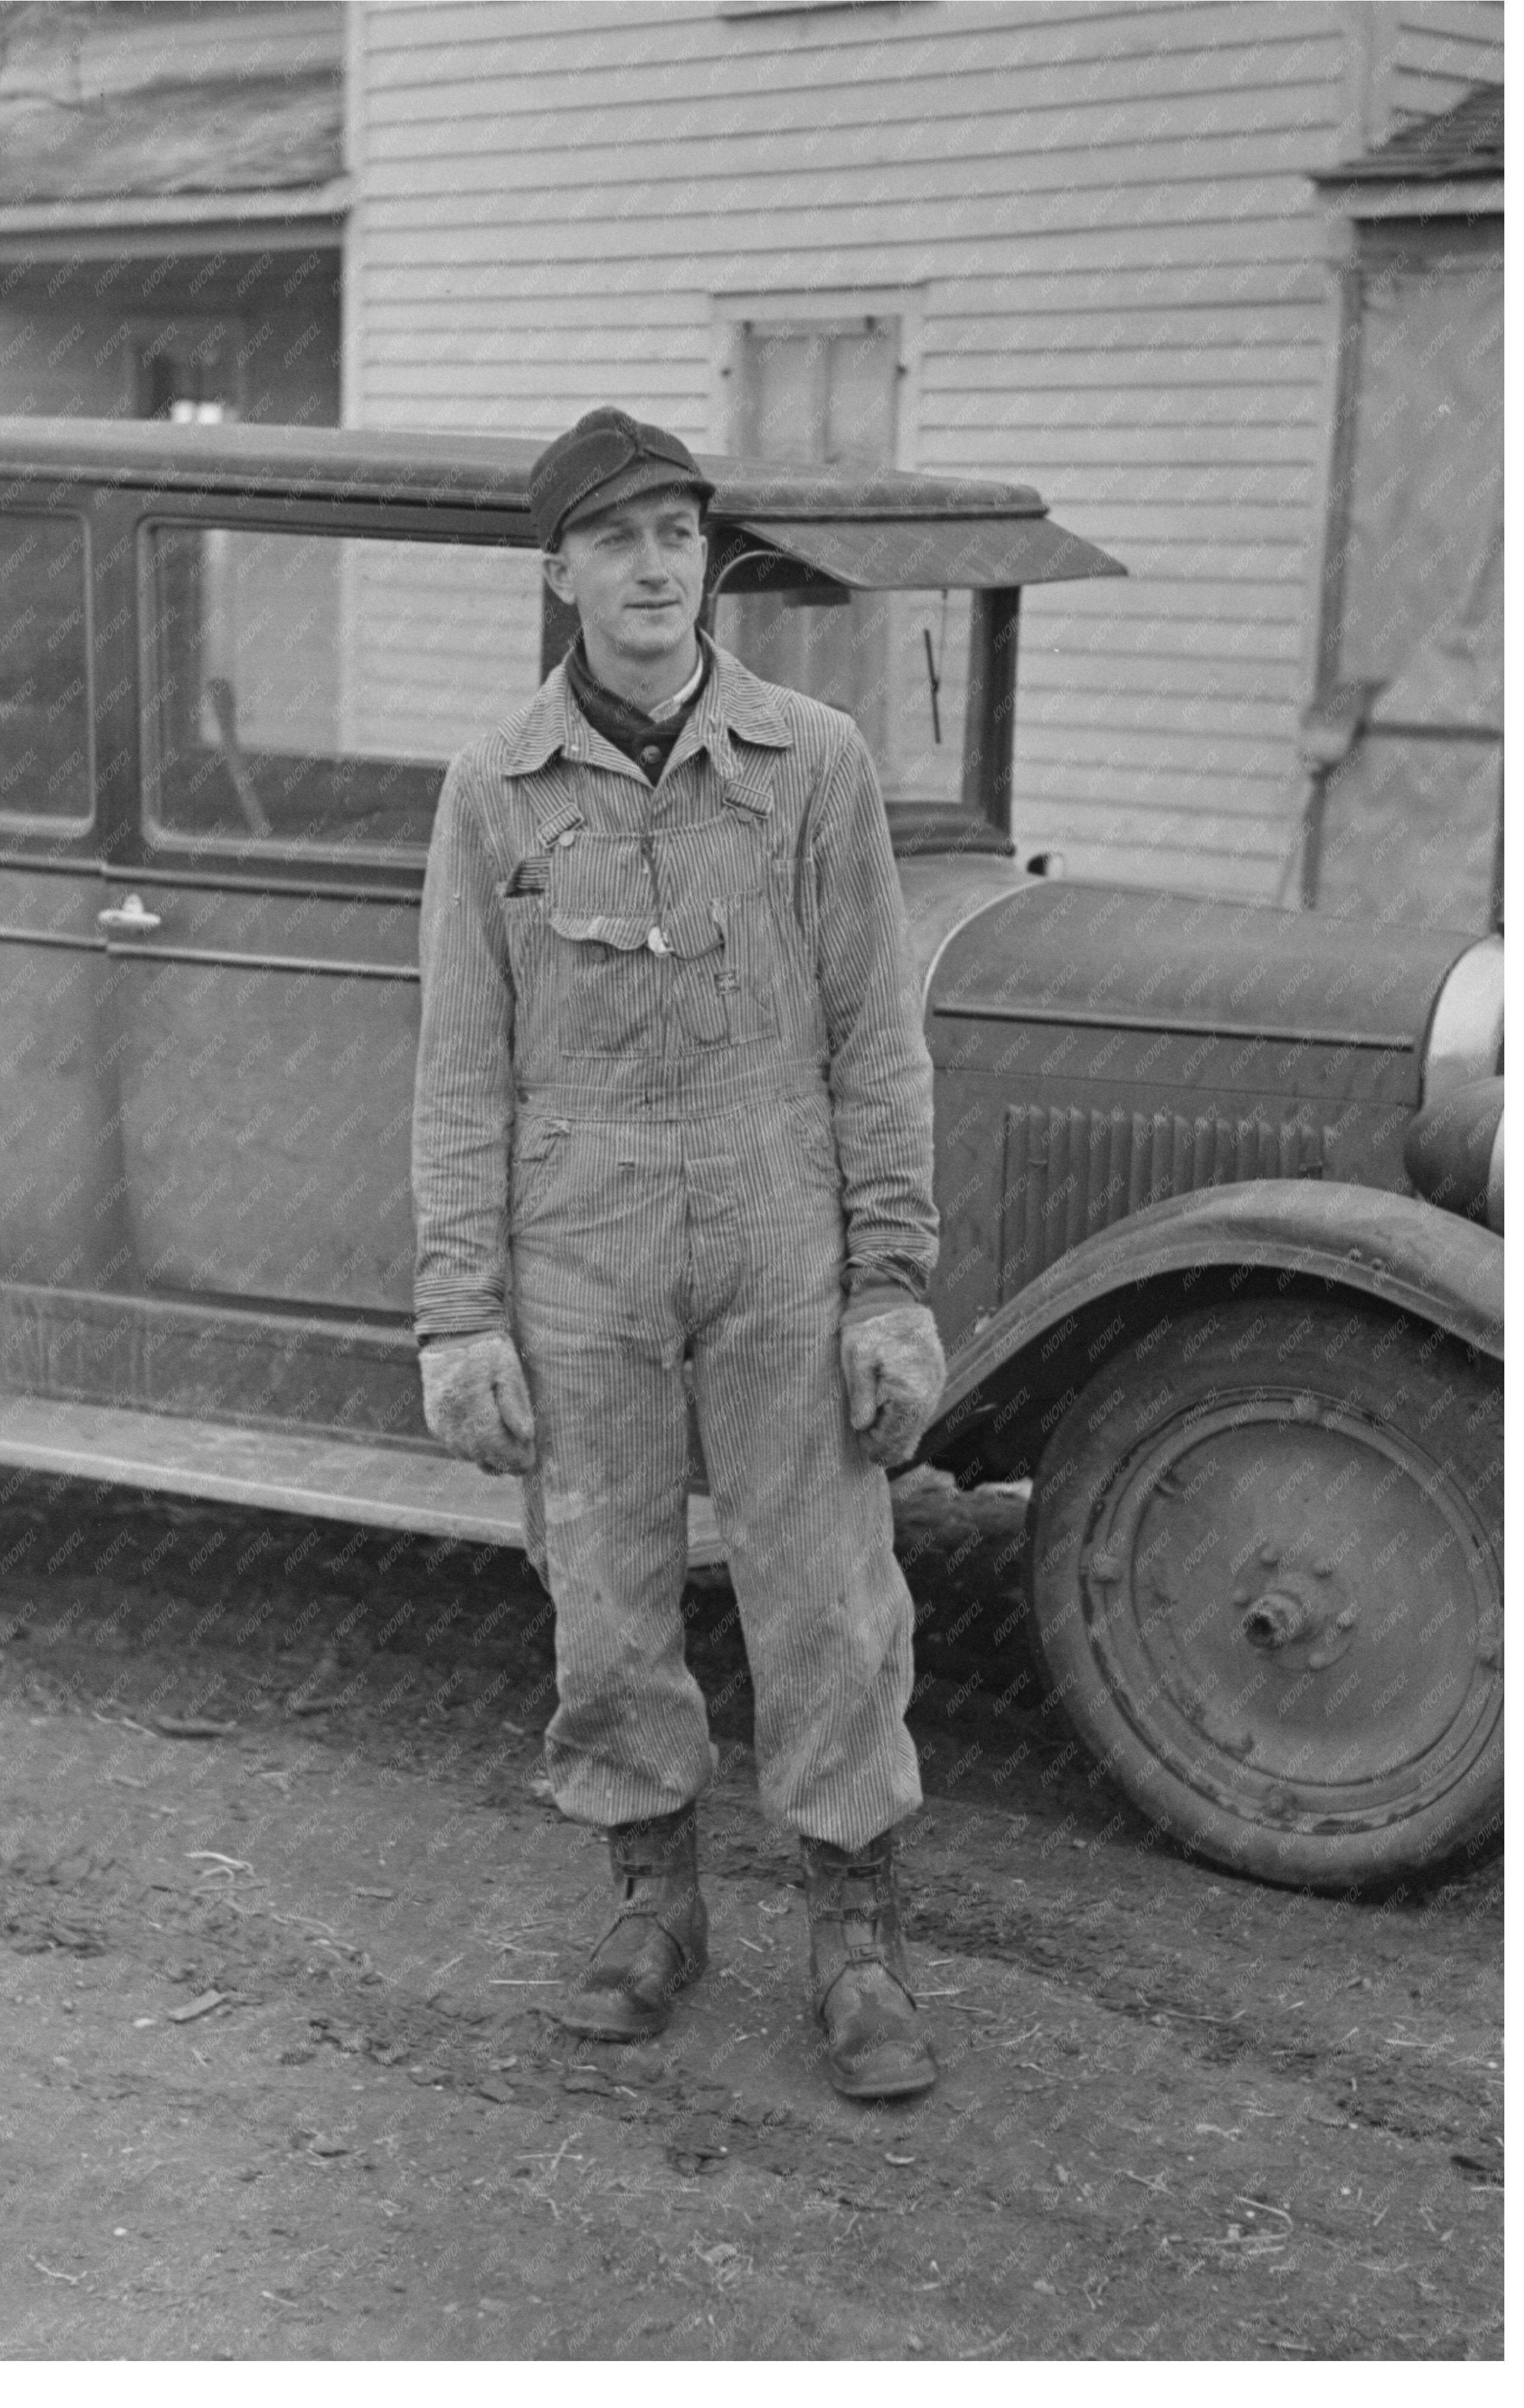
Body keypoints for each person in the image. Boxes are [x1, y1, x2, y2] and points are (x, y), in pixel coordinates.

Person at [412, 406, 948, 2100]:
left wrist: (888, 1281)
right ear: (559, 569)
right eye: (617, 538)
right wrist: (459, 1315)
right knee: (604, 1592)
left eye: (677, 534)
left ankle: (853, 1941)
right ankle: (653, 1905)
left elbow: (875, 1040)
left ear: (705, 560)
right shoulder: (494, 790)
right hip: (578, 1247)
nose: (654, 569)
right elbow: (456, 1068)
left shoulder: (814, 763)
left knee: (827, 1601)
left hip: (777, 1228)